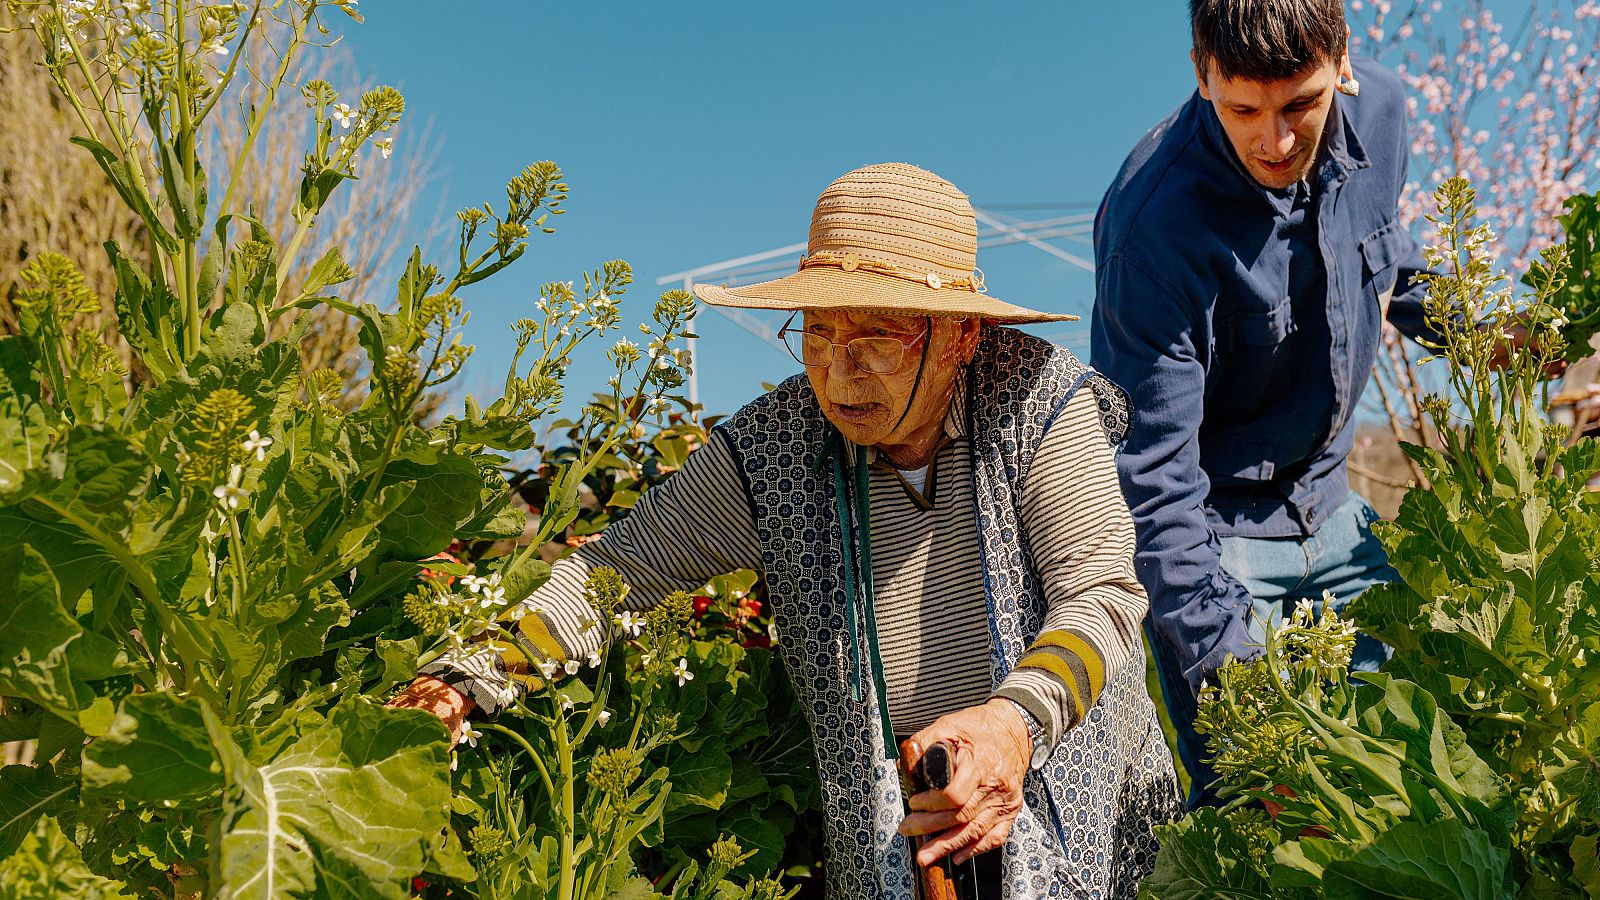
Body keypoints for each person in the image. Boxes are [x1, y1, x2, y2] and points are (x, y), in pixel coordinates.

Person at [393, 163, 1181, 897]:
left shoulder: (1040, 402)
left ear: (961, 337)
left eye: (877, 339)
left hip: (1073, 800)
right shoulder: (774, 447)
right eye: (818, 334)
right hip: (901, 834)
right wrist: (459, 682)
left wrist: (1011, 724)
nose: (838, 373)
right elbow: (619, 571)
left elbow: (1102, 596)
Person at [1089, 0, 1436, 808]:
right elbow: (1154, 484)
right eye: (1243, 109)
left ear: (1341, 62)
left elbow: (1386, 251)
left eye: (1301, 105)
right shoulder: (1153, 225)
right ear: (1201, 74)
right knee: (1263, 811)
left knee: (1401, 785)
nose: (1275, 141)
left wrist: (1483, 328)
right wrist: (1230, 669)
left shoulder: (1381, 112)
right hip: (1217, 538)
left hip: (1334, 504)